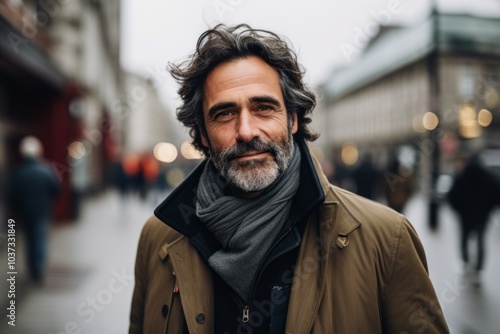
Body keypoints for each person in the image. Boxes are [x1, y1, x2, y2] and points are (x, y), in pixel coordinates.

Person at [129, 24, 449, 333]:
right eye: (224, 113)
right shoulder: (160, 239)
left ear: (293, 120)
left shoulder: (386, 241)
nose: (246, 131)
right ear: (202, 133)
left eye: (263, 108)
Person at [8, 136, 61, 282]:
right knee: (40, 240)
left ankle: (32, 268)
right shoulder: (46, 170)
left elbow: (12, 195)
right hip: (42, 211)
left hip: (25, 212)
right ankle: (38, 269)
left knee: (29, 240)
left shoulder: (18, 172)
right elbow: (56, 189)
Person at [447, 153, 500, 285]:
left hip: (465, 216)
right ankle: (478, 270)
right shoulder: (488, 177)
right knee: (481, 240)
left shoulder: (462, 177)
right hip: (482, 216)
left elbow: (452, 196)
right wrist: (488, 209)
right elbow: (496, 195)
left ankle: (465, 262)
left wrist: (459, 211)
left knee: (464, 238)